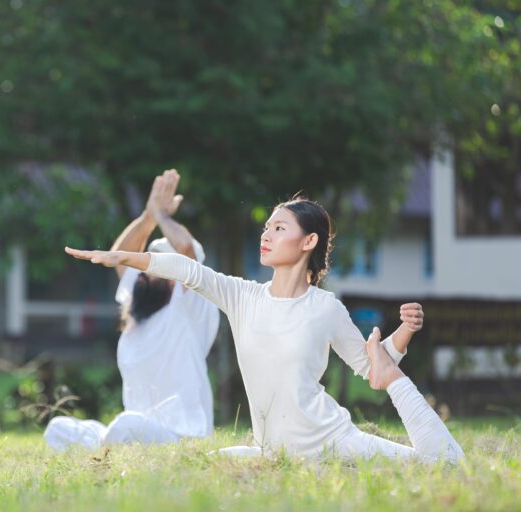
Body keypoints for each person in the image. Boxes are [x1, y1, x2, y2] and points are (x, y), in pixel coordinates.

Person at [64, 192, 465, 462]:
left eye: (279, 228)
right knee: (205, 465)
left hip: (335, 442)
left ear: (308, 242)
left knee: (441, 464)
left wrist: (403, 334)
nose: (266, 234)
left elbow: (374, 367)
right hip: (270, 450)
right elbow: (188, 269)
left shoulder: (325, 308)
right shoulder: (242, 297)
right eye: (266, 227)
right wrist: (121, 257)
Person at [44, 170, 220, 451]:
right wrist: (148, 217)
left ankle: (105, 453)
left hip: (183, 436)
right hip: (136, 432)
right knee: (58, 429)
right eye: (144, 265)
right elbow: (119, 257)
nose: (144, 271)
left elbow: (186, 248)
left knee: (125, 426)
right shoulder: (138, 307)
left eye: (155, 267)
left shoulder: (184, 306)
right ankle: (108, 449)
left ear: (176, 277)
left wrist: (163, 217)